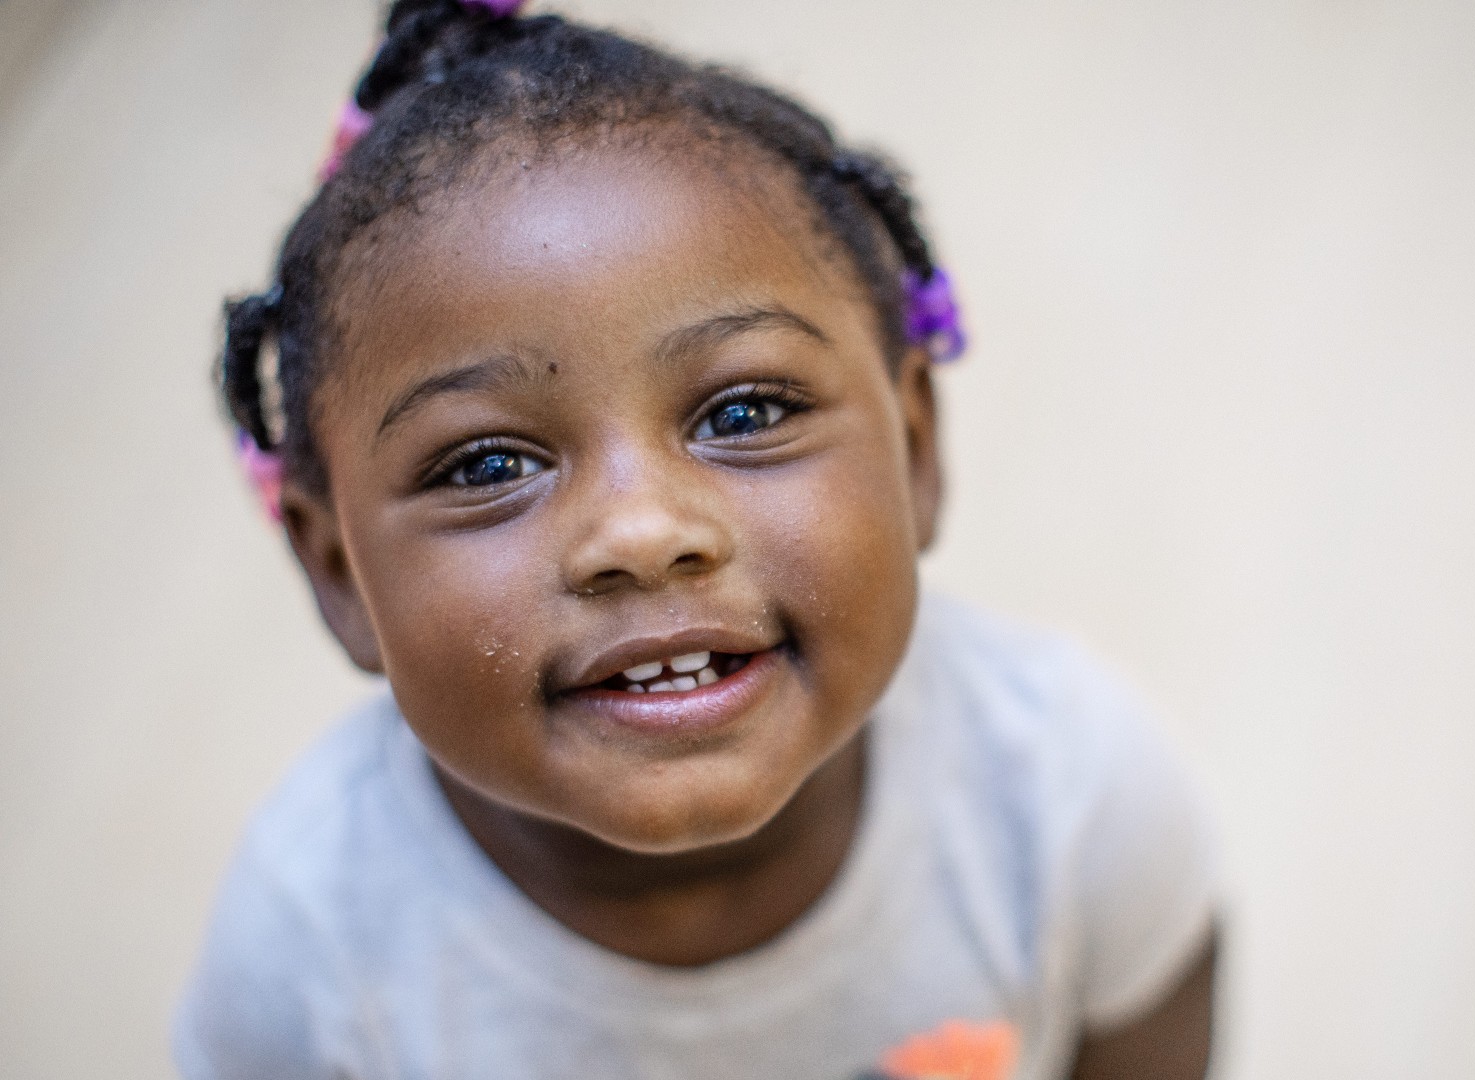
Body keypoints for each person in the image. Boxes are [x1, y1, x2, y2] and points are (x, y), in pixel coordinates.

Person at [176, 2, 1219, 1077]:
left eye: (746, 412)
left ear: (913, 448)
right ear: (338, 571)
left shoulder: (1073, 797)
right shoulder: (304, 960)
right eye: (488, 467)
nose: (641, 533)